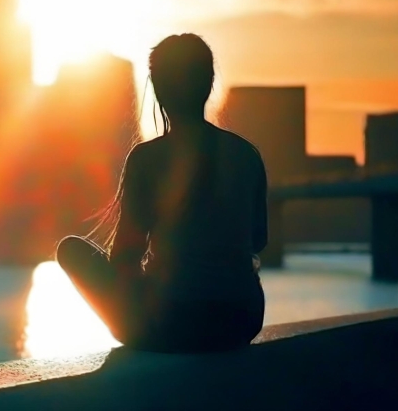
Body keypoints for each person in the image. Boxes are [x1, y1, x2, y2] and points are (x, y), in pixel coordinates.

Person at [56, 33, 267, 353]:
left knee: (70, 250)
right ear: (209, 84)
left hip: (171, 324)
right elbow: (259, 239)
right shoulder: (246, 154)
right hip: (242, 320)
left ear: (157, 87)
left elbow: (126, 256)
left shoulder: (146, 159)